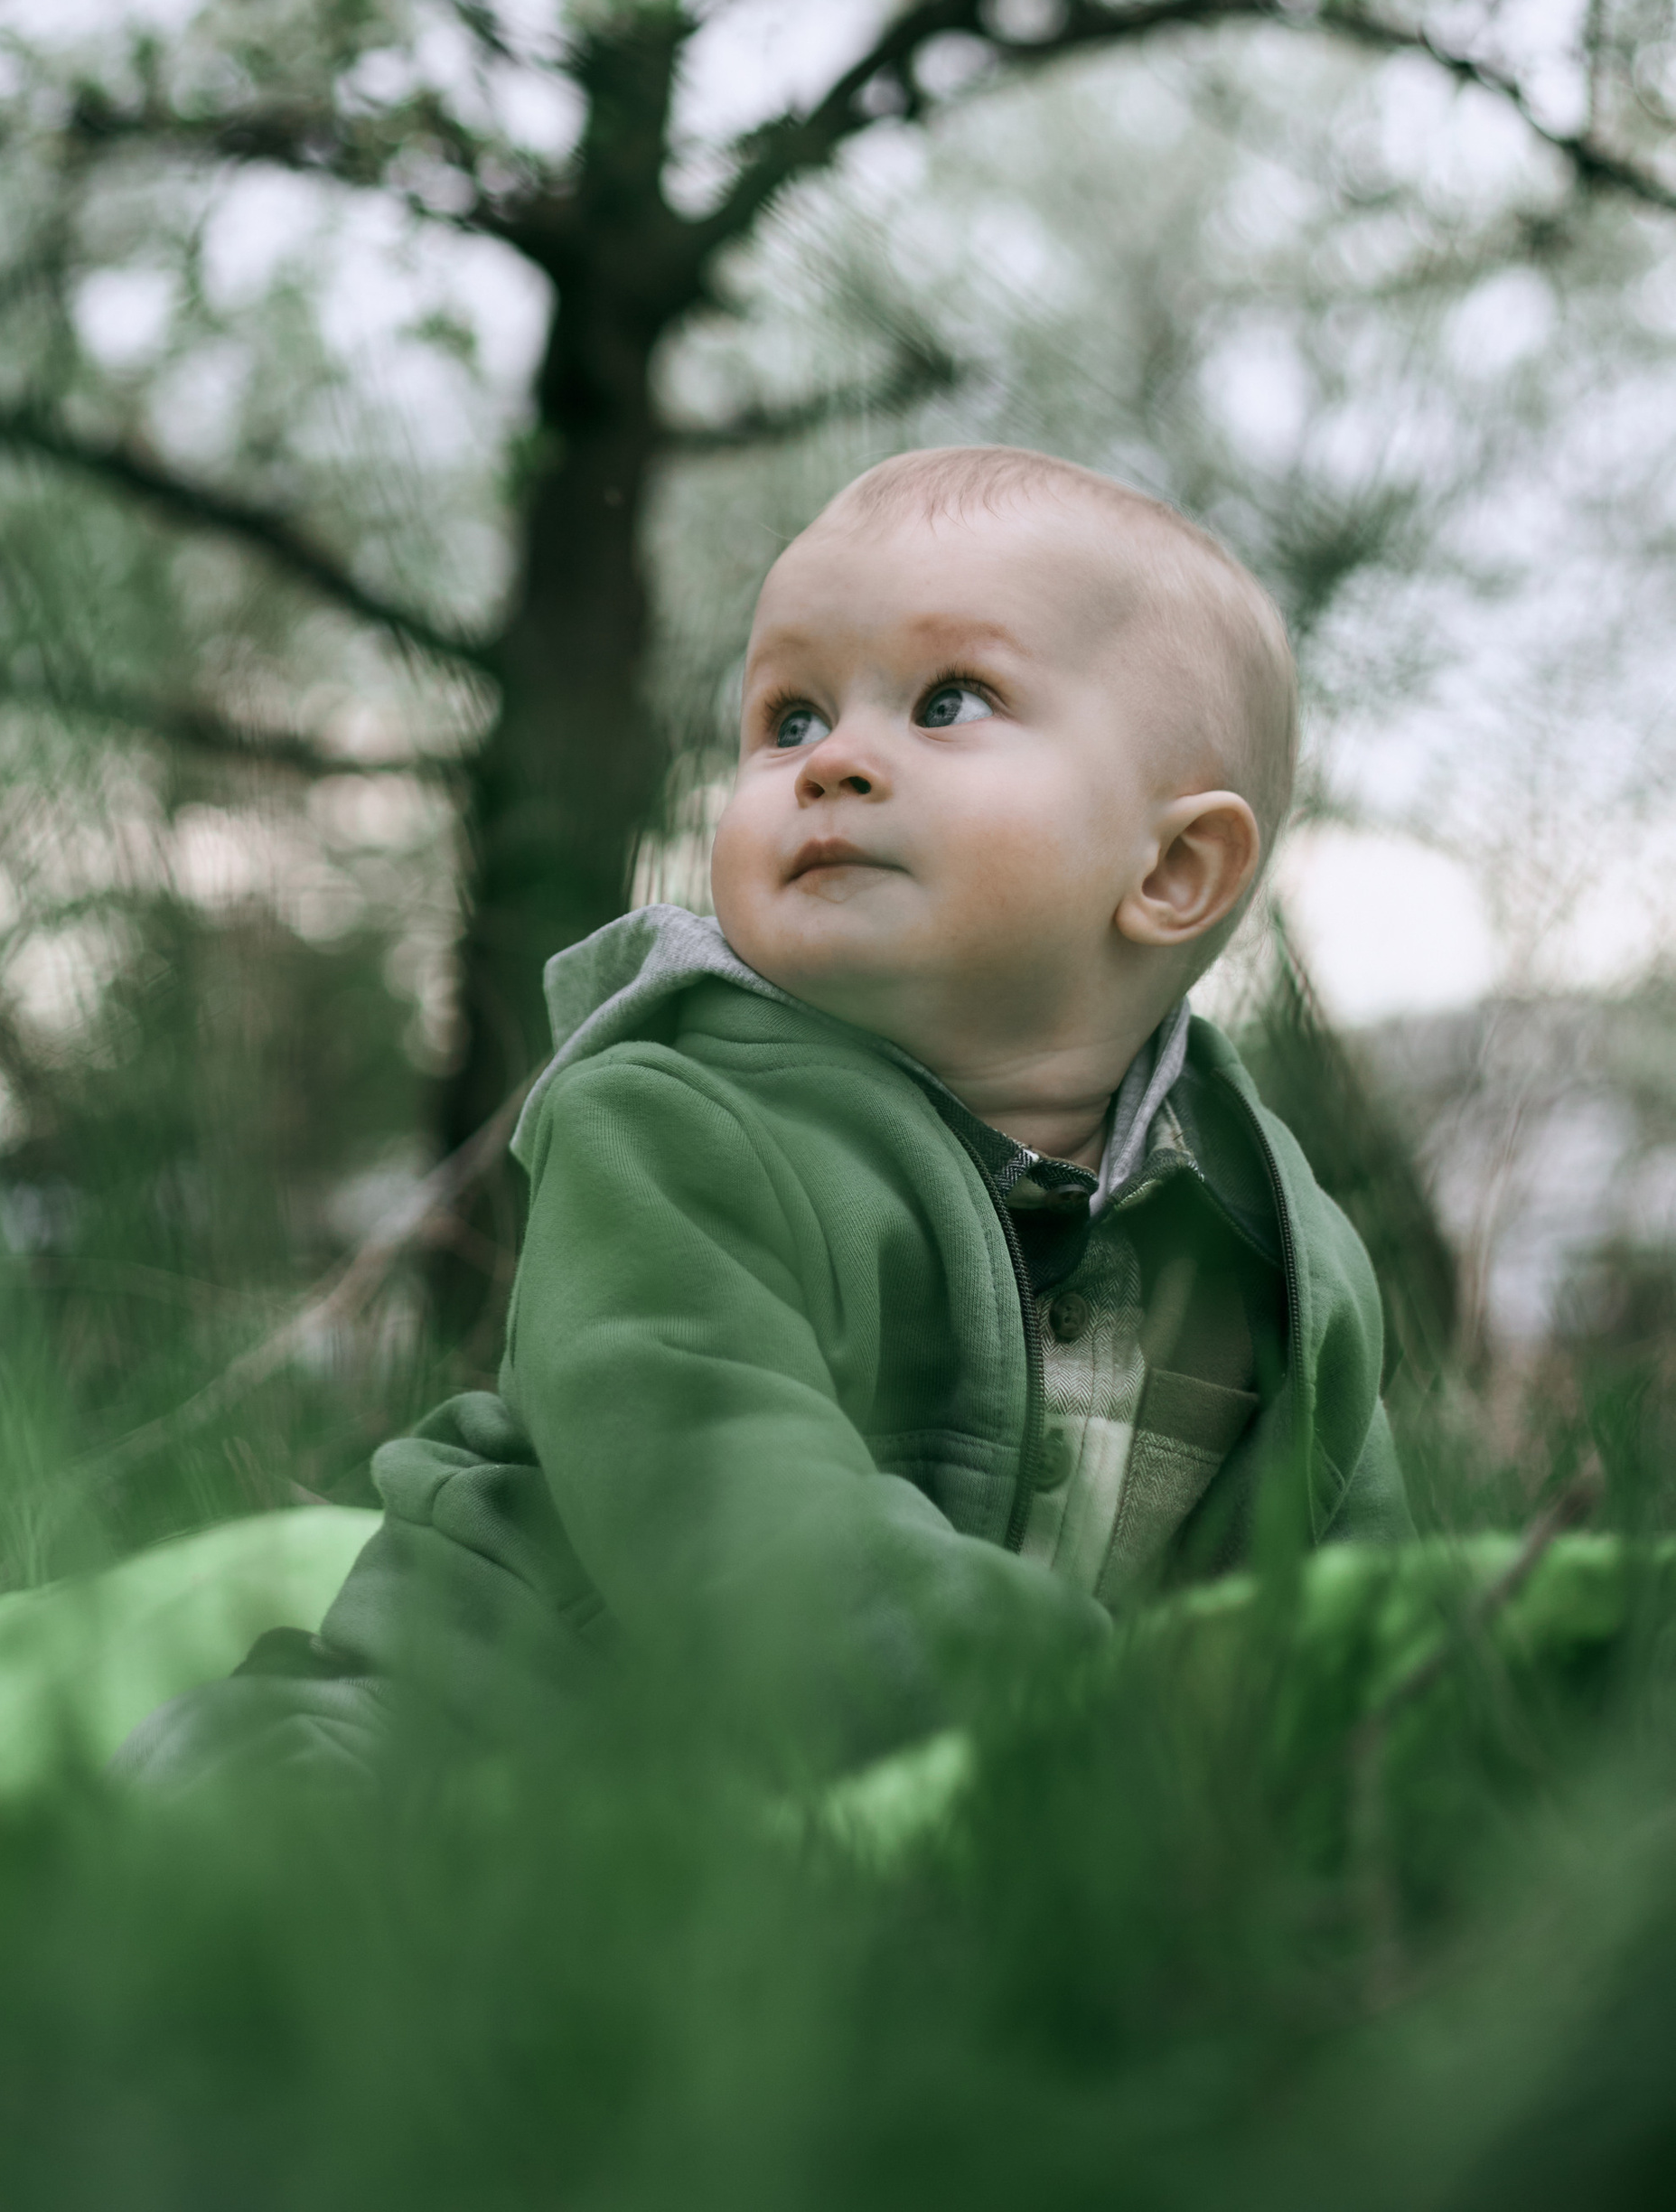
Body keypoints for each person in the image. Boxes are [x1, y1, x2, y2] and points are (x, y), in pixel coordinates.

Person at [120, 445, 1408, 1792]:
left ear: (1173, 868)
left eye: (948, 700)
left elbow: (1345, 1583)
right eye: (788, 718)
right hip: (510, 1710)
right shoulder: (671, 1118)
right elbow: (724, 1489)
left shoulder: (1271, 1240)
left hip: (896, 1792)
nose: (833, 761)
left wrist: (1367, 1736)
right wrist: (1081, 1717)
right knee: (285, 1796)